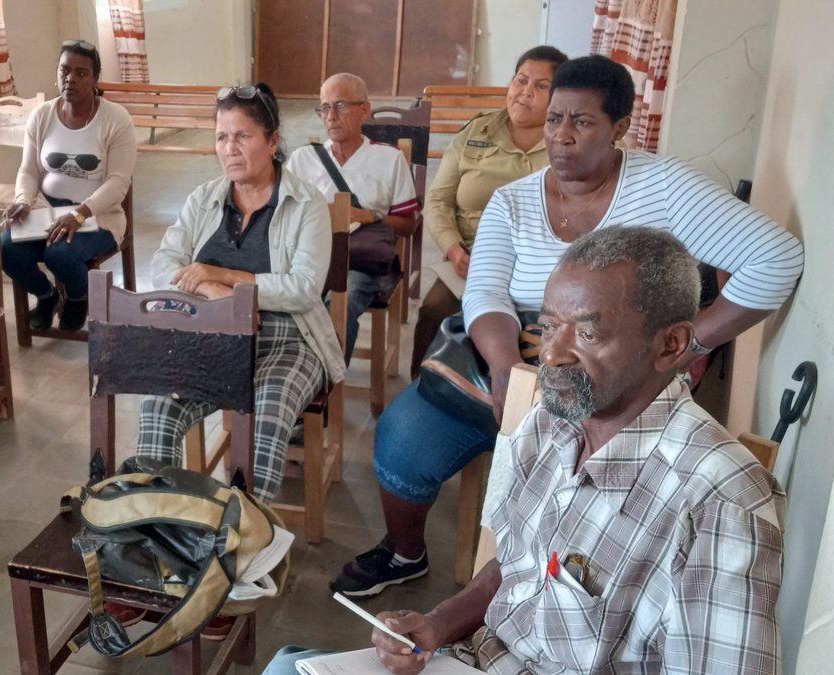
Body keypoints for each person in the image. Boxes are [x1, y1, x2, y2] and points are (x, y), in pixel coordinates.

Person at [330, 54, 803, 598]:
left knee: (579, 491)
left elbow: (776, 259)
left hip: (618, 374)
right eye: (555, 119)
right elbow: (485, 291)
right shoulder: (513, 202)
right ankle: (406, 552)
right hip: (517, 356)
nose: (561, 135)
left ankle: (551, 587)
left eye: (582, 122)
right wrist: (507, 368)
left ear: (619, 128)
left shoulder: (664, 188)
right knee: (403, 437)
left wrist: (689, 342)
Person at [267, 227, 787, 674]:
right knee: (288, 665)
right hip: (475, 659)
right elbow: (519, 566)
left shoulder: (721, 501)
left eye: (586, 332)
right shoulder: (550, 423)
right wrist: (435, 624)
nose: (553, 354)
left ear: (671, 345)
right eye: (550, 325)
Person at [137, 82, 345, 504]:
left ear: (272, 141)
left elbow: (304, 290)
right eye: (221, 136)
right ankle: (157, 530)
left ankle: (242, 546)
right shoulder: (204, 200)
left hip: (289, 340)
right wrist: (212, 291)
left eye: (242, 136)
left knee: (263, 418)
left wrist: (223, 276)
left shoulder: (306, 205)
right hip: (211, 336)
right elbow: (163, 263)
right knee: (158, 408)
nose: (229, 148)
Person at [410, 46, 568, 378]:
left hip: (541, 266)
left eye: (541, 86)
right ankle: (425, 390)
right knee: (434, 310)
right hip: (471, 261)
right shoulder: (475, 133)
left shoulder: (569, 142)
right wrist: (453, 250)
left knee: (545, 335)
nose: (525, 92)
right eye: (521, 80)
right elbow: (438, 201)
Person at [0, 39, 136, 332]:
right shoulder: (42, 115)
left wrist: (81, 213)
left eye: (81, 73)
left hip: (99, 217)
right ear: (57, 73)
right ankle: (47, 295)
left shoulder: (116, 119)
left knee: (59, 254)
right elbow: (29, 168)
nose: (70, 78)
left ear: (95, 78)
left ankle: (79, 297)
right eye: (65, 70)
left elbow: (118, 182)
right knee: (6, 248)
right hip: (49, 212)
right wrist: (24, 199)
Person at [284, 72, 418, 361]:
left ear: (364, 110)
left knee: (340, 303)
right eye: (324, 107)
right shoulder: (303, 159)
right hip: (309, 258)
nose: (331, 116)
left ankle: (326, 390)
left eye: (341, 105)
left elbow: (408, 225)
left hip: (361, 261)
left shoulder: (389, 158)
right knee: (281, 302)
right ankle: (294, 373)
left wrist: (370, 216)